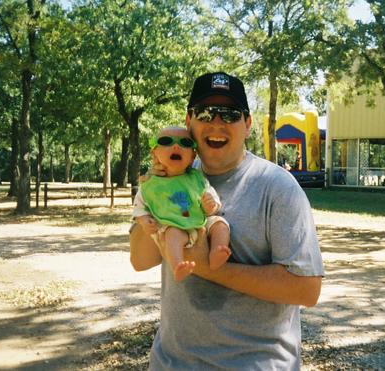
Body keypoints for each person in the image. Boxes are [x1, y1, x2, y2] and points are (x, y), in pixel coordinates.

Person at [130, 71, 324, 370]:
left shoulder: (277, 187)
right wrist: (154, 192)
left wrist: (207, 267)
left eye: (230, 114)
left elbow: (306, 289)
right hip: (171, 363)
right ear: (189, 121)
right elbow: (140, 260)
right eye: (206, 113)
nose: (216, 123)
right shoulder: (170, 178)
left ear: (247, 124)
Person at [132, 126, 231, 281]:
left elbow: (210, 195)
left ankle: (217, 252)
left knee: (220, 224)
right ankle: (178, 265)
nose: (176, 146)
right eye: (166, 141)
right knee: (172, 234)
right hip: (174, 226)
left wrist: (211, 205)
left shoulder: (197, 178)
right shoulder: (150, 183)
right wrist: (144, 222)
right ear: (154, 154)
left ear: (193, 157)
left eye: (185, 142)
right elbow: (139, 207)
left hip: (200, 222)